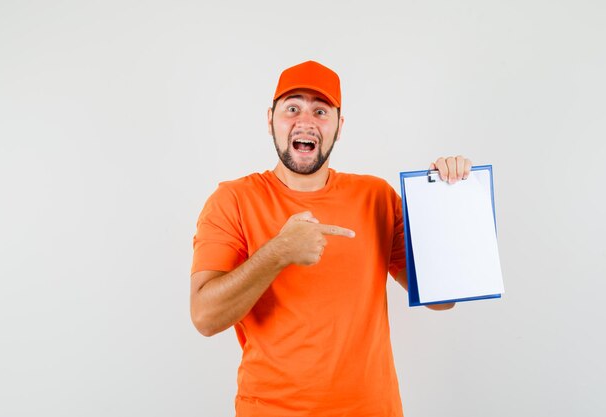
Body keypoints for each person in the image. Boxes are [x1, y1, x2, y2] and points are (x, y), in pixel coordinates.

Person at [191, 60, 472, 417]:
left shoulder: (376, 197)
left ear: (339, 126)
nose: (305, 121)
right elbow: (204, 317)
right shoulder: (232, 200)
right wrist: (278, 252)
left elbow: (441, 300)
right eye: (292, 108)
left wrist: (446, 203)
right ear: (270, 120)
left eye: (320, 111)